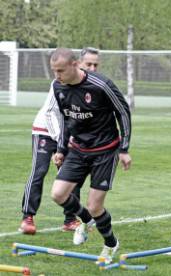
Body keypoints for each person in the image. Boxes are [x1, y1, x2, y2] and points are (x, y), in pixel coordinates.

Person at [48, 48, 131, 264]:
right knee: (58, 195)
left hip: (104, 150)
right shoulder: (58, 86)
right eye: (54, 71)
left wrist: (124, 148)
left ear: (75, 65)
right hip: (77, 149)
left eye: (61, 71)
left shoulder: (101, 85)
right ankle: (86, 220)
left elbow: (123, 112)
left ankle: (111, 243)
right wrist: (60, 149)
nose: (57, 76)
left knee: (95, 206)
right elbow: (66, 120)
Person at [19, 47, 101, 235]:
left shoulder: (92, 85)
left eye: (96, 65)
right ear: (78, 63)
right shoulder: (61, 81)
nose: (92, 68)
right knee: (39, 170)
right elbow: (50, 113)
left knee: (71, 177)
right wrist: (59, 145)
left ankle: (70, 219)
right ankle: (28, 217)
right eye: (89, 64)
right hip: (45, 130)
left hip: (67, 137)